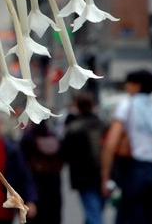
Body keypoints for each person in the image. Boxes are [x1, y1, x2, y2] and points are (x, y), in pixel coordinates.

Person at [101, 70, 152, 224]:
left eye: (129, 84)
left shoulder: (127, 106)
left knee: (127, 216)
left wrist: (106, 176)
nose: (127, 88)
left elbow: (111, 143)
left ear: (136, 86)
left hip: (132, 170)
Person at [63, 92, 106, 224]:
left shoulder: (74, 128)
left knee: (93, 213)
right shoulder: (102, 124)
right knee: (95, 211)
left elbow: (65, 153)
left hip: (83, 178)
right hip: (103, 175)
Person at [20, 121, 65, 224]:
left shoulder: (28, 139)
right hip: (54, 186)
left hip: (36, 186)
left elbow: (22, 165)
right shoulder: (54, 137)